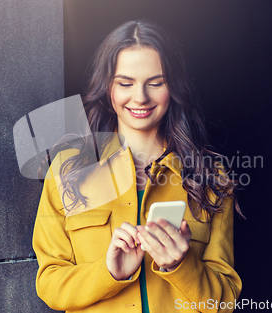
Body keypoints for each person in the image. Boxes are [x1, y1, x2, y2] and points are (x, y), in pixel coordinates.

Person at [33, 20, 242, 312]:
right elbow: (50, 284)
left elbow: (225, 301)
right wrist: (109, 274)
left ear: (174, 86)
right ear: (108, 87)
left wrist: (181, 266)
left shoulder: (211, 176)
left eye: (156, 83)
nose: (141, 97)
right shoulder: (67, 170)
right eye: (126, 83)